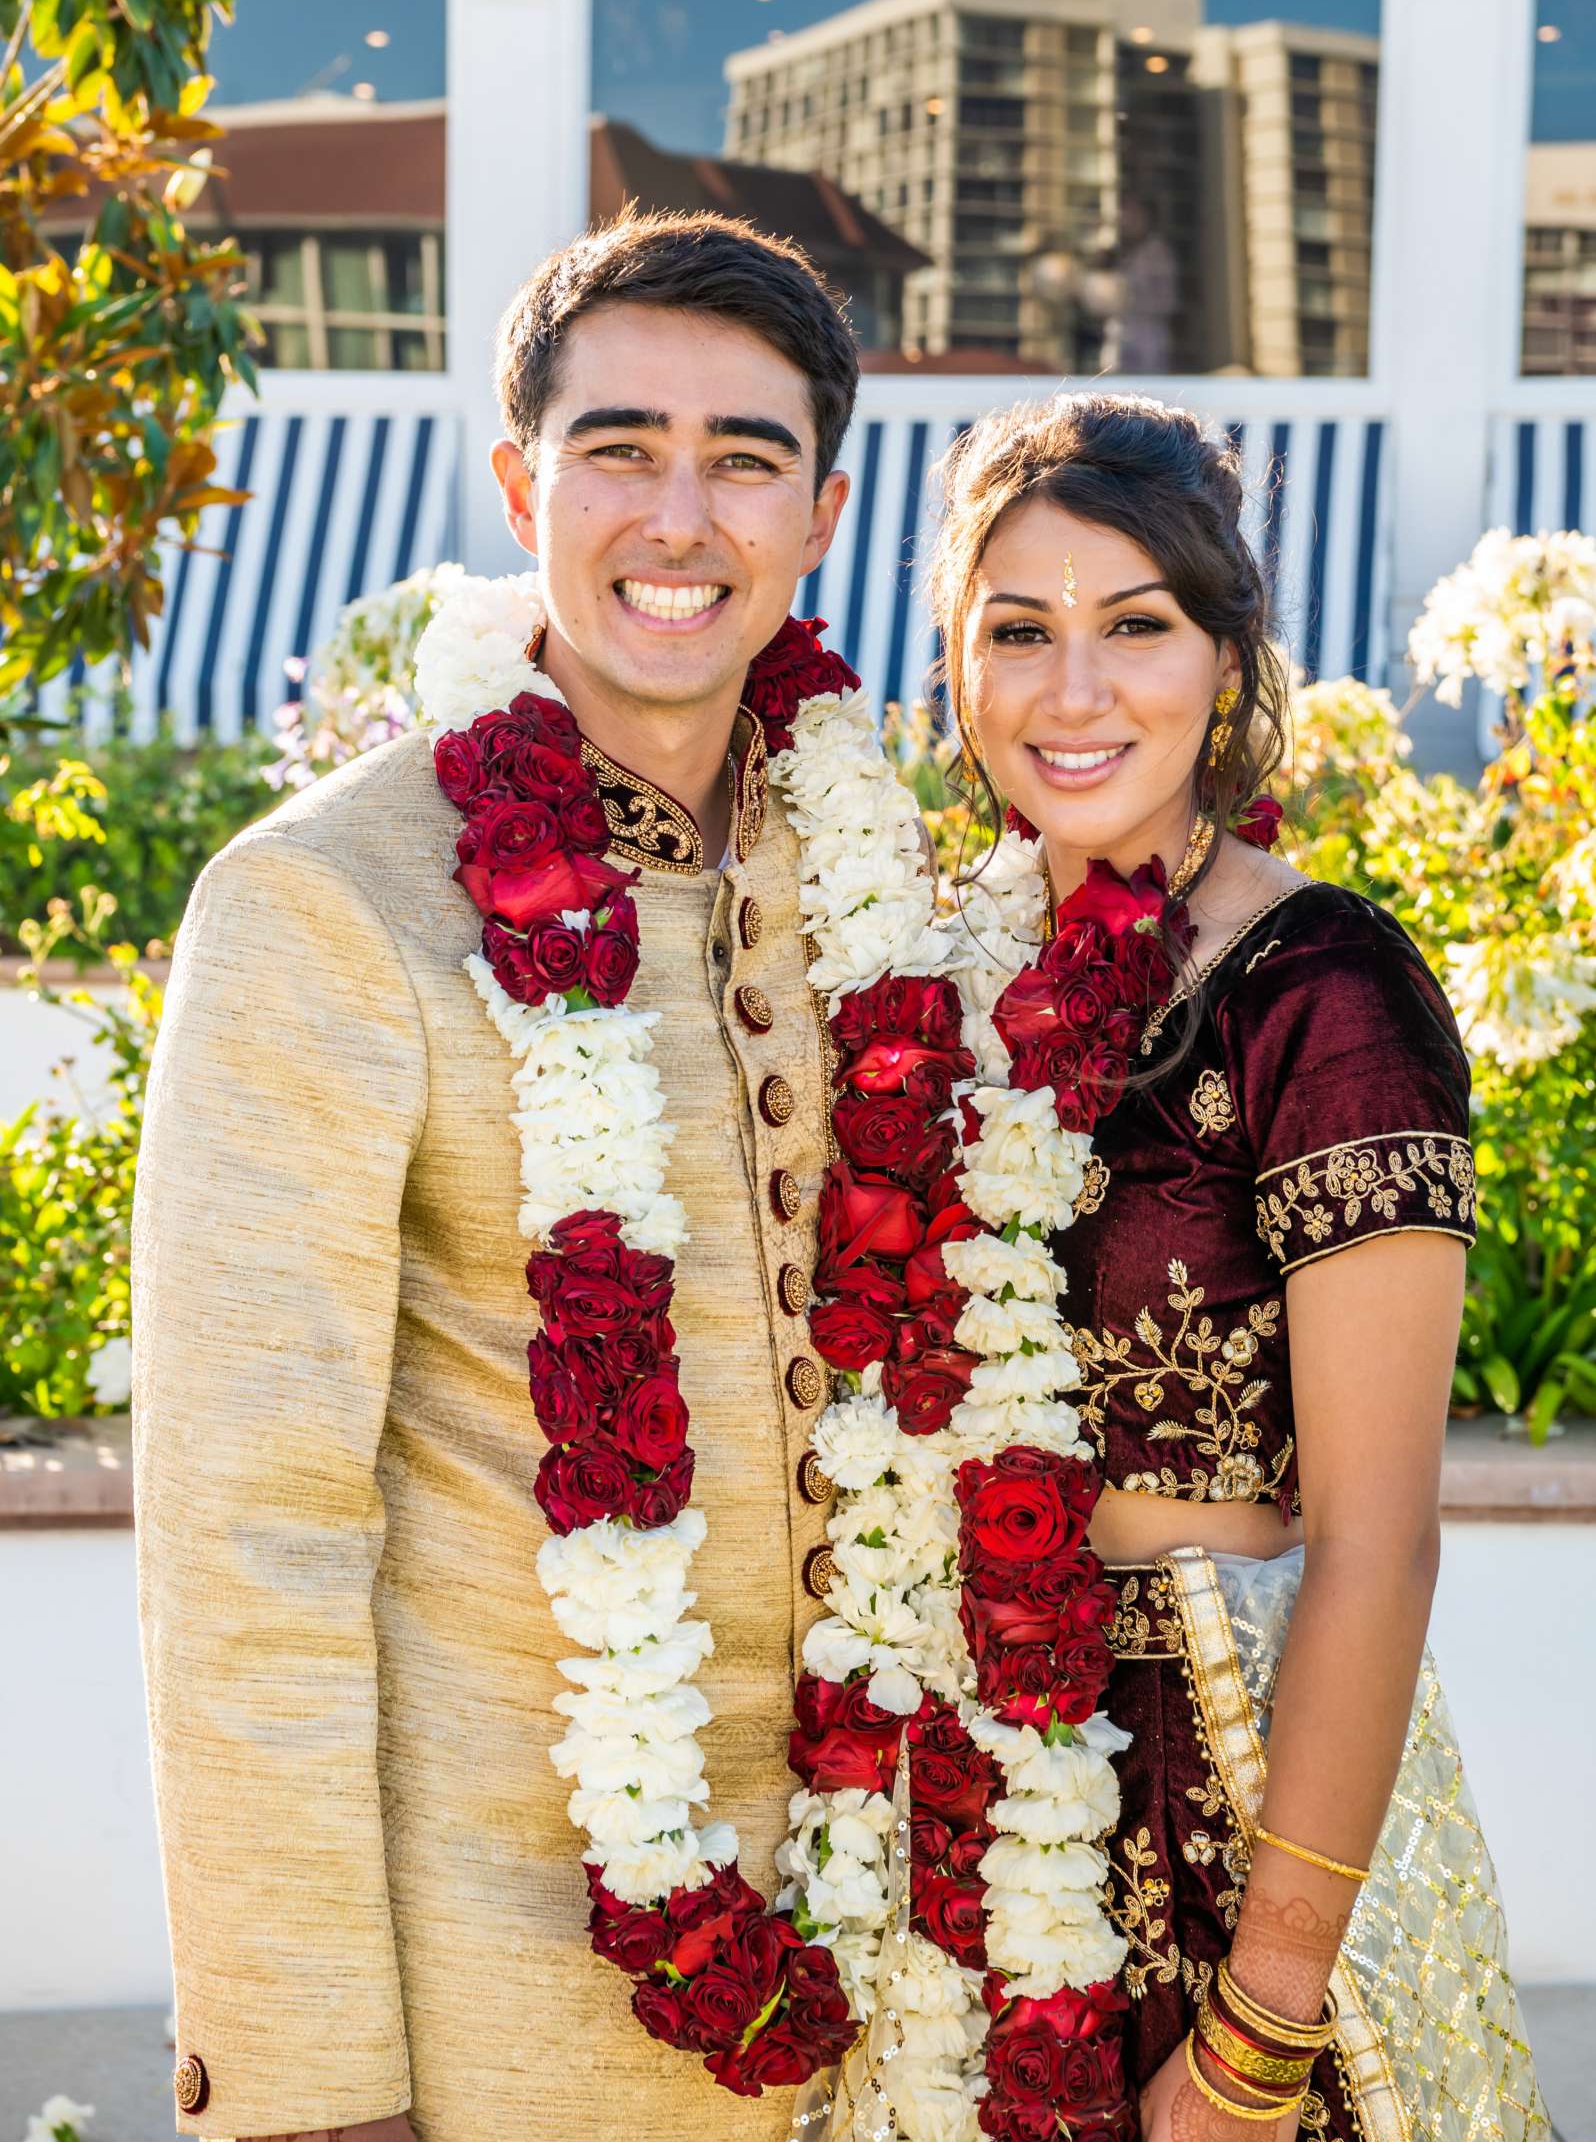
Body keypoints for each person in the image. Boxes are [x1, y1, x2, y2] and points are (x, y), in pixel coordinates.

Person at [133, 210, 869, 2142]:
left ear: (825, 511)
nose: (680, 518)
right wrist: (305, 2082)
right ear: (516, 481)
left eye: (748, 458)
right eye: (620, 448)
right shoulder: (327, 904)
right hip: (494, 2011)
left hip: (892, 1991)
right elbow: (249, 1542)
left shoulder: (888, 895)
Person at [927, 393, 1548, 2141]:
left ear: (1225, 655)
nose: (1076, 692)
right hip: (950, 1802)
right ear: (959, 665)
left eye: (1138, 628)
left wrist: (1262, 2024)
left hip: (1236, 1810)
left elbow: (1377, 1539)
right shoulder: (924, 978)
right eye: (1020, 632)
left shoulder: (1318, 991)